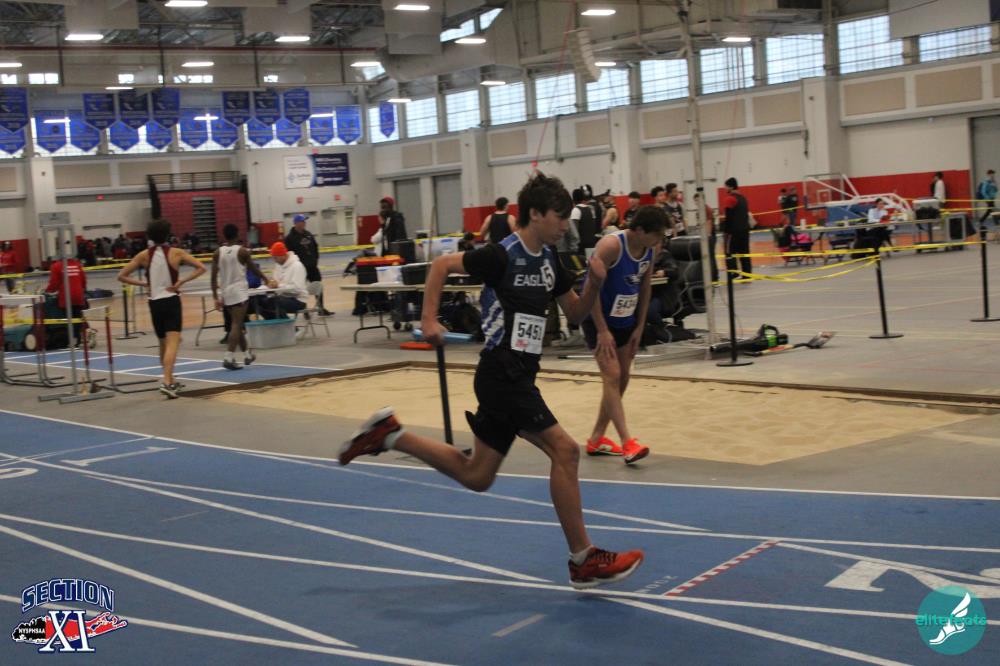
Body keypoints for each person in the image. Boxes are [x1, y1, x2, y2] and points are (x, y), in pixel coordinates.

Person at [339, 172, 644, 589]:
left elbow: (574, 313)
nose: (565, 225)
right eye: (559, 217)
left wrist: (594, 282)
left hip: (518, 376)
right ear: (535, 214)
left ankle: (390, 434)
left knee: (478, 475)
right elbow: (441, 265)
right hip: (502, 372)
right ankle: (583, 559)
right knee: (566, 451)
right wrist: (429, 319)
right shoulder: (502, 255)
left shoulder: (550, 261)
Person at [583, 206, 665, 464]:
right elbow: (591, 288)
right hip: (598, 318)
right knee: (612, 376)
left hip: (625, 320)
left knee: (622, 379)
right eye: (656, 235)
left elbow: (646, 288)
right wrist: (602, 330)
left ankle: (596, 438)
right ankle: (627, 441)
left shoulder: (649, 250)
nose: (659, 240)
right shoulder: (611, 246)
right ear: (639, 230)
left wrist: (640, 327)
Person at [117, 219, 206, 398]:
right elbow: (201, 268)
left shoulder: (143, 255)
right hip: (171, 300)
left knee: (162, 342)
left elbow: (122, 276)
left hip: (154, 302)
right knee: (173, 342)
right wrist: (181, 281)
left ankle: (170, 379)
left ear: (149, 236)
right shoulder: (176, 252)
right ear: (168, 235)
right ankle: (166, 381)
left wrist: (144, 283)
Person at [212, 224, 273, 370]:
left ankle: (247, 355)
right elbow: (254, 269)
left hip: (226, 292)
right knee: (236, 324)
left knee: (237, 324)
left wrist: (215, 297)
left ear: (224, 235)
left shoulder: (217, 252)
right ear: (237, 235)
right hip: (239, 292)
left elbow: (213, 278)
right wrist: (266, 279)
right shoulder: (242, 251)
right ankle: (228, 357)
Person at [284, 214, 331, 316]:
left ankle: (321, 308)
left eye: (304, 221)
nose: (304, 223)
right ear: (296, 223)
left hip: (312, 267)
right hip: (300, 269)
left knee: (318, 286)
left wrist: (315, 260)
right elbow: (288, 254)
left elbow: (315, 247)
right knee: (302, 290)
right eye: (302, 221)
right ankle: (305, 311)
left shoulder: (308, 234)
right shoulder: (289, 238)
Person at [45, 254, 88, 344]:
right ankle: (79, 338)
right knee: (78, 318)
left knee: (68, 320)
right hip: (78, 296)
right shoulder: (77, 264)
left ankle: (72, 340)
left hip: (66, 297)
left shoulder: (56, 266)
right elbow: (84, 281)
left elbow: (54, 284)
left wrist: (47, 291)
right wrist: (83, 290)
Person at [267, 241, 308, 322]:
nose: (274, 260)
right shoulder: (278, 266)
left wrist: (278, 286)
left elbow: (297, 289)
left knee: (274, 303)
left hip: (298, 300)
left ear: (283, 255)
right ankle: (278, 326)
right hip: (283, 297)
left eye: (275, 258)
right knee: (263, 302)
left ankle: (290, 327)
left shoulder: (297, 266)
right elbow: (275, 282)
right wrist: (271, 284)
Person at [720, 177, 752, 280]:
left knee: (729, 252)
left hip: (733, 232)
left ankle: (733, 273)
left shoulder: (730, 199)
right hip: (745, 230)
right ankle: (747, 275)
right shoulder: (743, 198)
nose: (725, 188)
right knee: (744, 253)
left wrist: (725, 231)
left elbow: (728, 217)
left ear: (731, 187)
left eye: (726, 186)